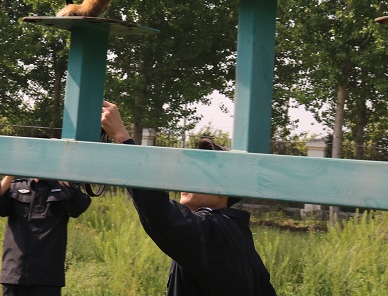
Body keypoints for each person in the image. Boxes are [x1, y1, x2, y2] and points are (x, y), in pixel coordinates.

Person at [101, 100, 277, 296]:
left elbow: (160, 213)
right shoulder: (236, 233)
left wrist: (122, 138)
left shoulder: (215, 230)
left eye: (198, 173)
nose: (186, 178)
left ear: (223, 187)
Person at [0, 168, 92, 296]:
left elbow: (79, 206)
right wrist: (12, 170)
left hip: (47, 276)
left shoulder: (63, 188)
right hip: (15, 272)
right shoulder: (16, 186)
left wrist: (60, 172)